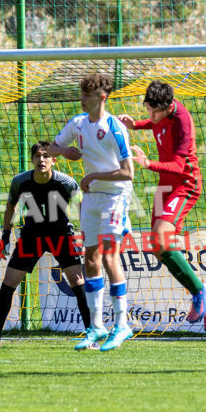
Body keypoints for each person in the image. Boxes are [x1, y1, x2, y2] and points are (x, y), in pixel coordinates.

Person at [49, 72, 136, 351]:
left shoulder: (115, 128)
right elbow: (51, 147)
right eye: (81, 95)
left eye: (86, 96)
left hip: (115, 198)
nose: (81, 100)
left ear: (102, 97)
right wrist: (64, 152)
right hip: (92, 200)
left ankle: (122, 325)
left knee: (110, 257)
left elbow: (128, 172)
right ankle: (97, 326)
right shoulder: (78, 123)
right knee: (90, 259)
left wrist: (93, 177)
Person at [121, 79, 206, 331]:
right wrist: (136, 124)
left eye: (154, 112)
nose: (150, 115)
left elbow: (178, 166)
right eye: (147, 110)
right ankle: (199, 292)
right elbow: (154, 124)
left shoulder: (183, 121)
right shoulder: (159, 114)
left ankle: (202, 292)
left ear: (168, 106)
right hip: (165, 186)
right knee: (156, 245)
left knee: (161, 239)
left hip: (184, 184)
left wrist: (147, 163)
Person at [0, 142, 90, 348]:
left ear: (53, 160)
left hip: (61, 235)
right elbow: (10, 207)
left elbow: (82, 207)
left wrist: (86, 235)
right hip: (32, 235)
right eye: (38, 156)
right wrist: (5, 236)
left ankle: (91, 335)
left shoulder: (67, 182)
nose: (41, 159)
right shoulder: (20, 182)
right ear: (32, 160)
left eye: (46, 156)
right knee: (9, 283)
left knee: (78, 283)